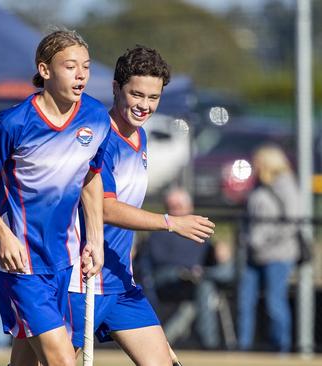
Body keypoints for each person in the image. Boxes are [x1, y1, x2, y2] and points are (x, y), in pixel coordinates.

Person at [0, 29, 109, 366]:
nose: (81, 74)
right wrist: (2, 234)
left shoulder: (96, 117)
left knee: (26, 357)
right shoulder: (13, 122)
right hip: (20, 263)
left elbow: (91, 178)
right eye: (70, 66)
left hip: (65, 259)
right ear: (44, 70)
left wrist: (96, 240)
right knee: (61, 359)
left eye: (85, 67)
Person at [67, 46, 215, 366]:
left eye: (153, 97)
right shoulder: (100, 139)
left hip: (120, 282)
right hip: (82, 280)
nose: (145, 106)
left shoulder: (141, 138)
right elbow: (106, 208)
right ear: (116, 88)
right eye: (137, 95)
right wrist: (170, 222)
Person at [136, 188, 233, 349]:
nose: (175, 210)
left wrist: (219, 251)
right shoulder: (159, 231)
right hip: (168, 278)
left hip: (197, 278)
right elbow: (156, 260)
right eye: (172, 206)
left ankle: (204, 345)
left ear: (190, 207)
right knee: (202, 285)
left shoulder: (199, 230)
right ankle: (209, 344)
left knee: (212, 281)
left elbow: (210, 255)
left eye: (179, 206)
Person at [237, 144, 299, 352]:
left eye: (257, 161)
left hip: (278, 255)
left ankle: (281, 349)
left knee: (275, 302)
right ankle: (242, 348)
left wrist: (265, 240)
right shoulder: (258, 185)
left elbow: (292, 222)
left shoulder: (285, 184)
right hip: (252, 254)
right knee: (245, 301)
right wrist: (248, 239)